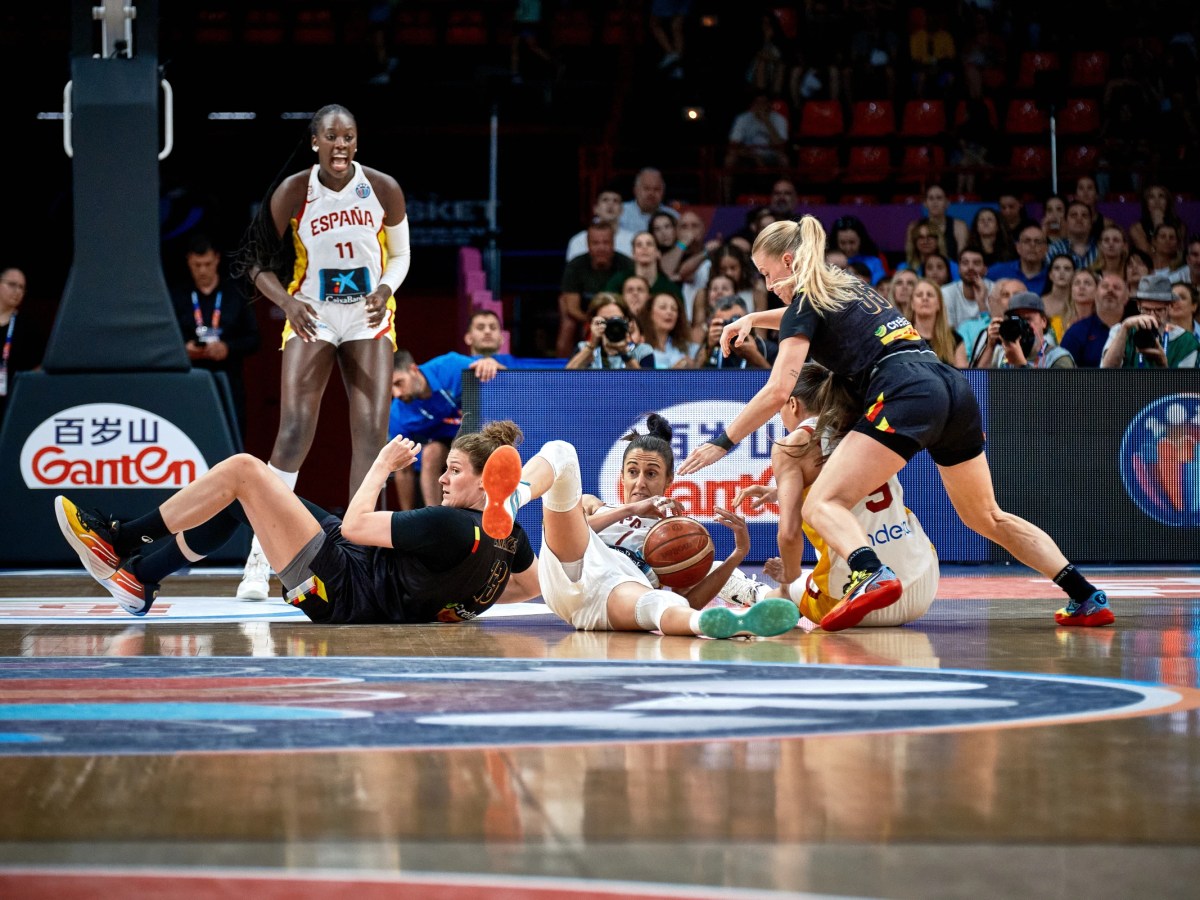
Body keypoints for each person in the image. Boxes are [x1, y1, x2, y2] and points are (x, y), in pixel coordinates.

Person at [678, 216, 1111, 629]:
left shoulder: (805, 300)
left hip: (903, 390)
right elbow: (800, 319)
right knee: (987, 516)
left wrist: (723, 440)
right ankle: (1084, 594)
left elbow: (778, 391)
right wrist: (754, 318)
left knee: (821, 504)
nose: (769, 287)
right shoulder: (846, 285)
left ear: (788, 262)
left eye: (767, 274)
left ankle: (869, 573)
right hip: (950, 386)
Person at [54, 421, 539, 621]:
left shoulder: (450, 526)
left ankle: (118, 539)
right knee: (248, 495)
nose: (442, 480)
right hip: (352, 569)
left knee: (244, 469)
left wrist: (381, 466)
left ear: (488, 481)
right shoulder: (509, 539)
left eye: (455, 471)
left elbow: (354, 526)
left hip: (340, 583)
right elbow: (527, 588)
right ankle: (140, 578)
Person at [232, 104, 410, 602]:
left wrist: (385, 289)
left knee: (372, 435)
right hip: (312, 311)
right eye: (331, 136)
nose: (340, 145)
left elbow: (400, 254)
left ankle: (362, 557)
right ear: (315, 142)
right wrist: (287, 302)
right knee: (292, 432)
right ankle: (258, 563)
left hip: (367, 314)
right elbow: (255, 262)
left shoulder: (383, 188)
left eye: (348, 137)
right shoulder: (294, 191)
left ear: (357, 141)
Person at [477, 414, 799, 639]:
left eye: (651, 474)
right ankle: (513, 497)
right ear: (621, 476)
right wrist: (631, 509)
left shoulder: (678, 534)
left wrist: (738, 553)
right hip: (575, 561)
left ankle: (721, 624)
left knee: (666, 603)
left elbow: (690, 597)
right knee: (562, 451)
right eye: (632, 472)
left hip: (618, 591)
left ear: (669, 480)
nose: (640, 482)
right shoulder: (594, 504)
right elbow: (582, 527)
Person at [726, 363, 939, 629]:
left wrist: (789, 575)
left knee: (792, 586)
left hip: (862, 604)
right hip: (923, 583)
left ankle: (754, 594)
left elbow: (789, 534)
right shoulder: (866, 427)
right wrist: (782, 491)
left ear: (792, 404)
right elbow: (848, 480)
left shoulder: (793, 445)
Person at [389, 348, 508, 510]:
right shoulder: (397, 413)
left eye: (398, 383)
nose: (396, 393)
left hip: (481, 434)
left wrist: (492, 365)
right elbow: (403, 472)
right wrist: (406, 518)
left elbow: (506, 380)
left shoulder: (451, 366)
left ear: (413, 369)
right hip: (449, 444)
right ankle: (436, 517)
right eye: (390, 388)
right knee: (431, 453)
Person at [171, 234, 261, 439]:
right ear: (188, 262)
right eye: (197, 265)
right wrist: (183, 349)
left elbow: (254, 339)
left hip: (229, 380)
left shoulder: (235, 294)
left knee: (231, 435)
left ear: (217, 259)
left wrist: (227, 348)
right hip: (192, 381)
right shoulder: (177, 296)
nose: (202, 270)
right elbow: (164, 339)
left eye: (207, 264)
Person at [556, 221, 634, 357]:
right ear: (588, 245)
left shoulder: (626, 265)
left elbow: (632, 301)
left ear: (613, 244)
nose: (601, 247)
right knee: (568, 321)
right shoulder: (575, 265)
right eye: (596, 243)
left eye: (606, 242)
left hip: (620, 317)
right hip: (585, 317)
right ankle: (564, 369)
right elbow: (571, 307)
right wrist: (593, 321)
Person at [1101, 273, 1200, 369]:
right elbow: (1106, 373)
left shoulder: (1186, 341)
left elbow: (1186, 385)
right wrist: (1125, 328)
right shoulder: (1121, 330)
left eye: (1159, 310)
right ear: (1138, 305)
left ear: (1170, 306)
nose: (1152, 316)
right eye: (1147, 310)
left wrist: (1162, 365)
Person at [979, 292, 1075, 369]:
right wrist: (990, 346)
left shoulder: (1058, 357)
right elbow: (977, 386)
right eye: (1017, 319)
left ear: (1044, 321)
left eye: (1028, 319)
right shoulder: (1002, 354)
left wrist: (1021, 364)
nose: (1022, 325)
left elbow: (1055, 393)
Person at [566, 293, 655, 370]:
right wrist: (591, 346)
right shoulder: (583, 348)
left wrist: (625, 354)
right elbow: (565, 381)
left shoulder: (642, 351)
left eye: (616, 320)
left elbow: (647, 386)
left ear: (627, 321)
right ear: (593, 323)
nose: (611, 325)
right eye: (604, 320)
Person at [1061, 273, 1128, 368]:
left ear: (1126, 297)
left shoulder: (1134, 330)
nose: (1110, 290)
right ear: (1095, 294)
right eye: (1105, 286)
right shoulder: (1076, 332)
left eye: (1116, 288)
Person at [0, 266, 36, 425]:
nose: (17, 291)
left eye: (21, 287)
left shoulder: (27, 327)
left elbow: (37, 366)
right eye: (12, 284)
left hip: (10, 403)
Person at [693, 296, 770, 368]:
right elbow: (693, 378)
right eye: (725, 323)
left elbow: (778, 380)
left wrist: (755, 357)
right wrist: (708, 348)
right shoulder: (710, 349)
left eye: (736, 321)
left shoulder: (766, 348)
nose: (731, 329)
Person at [962, 278, 1024, 367]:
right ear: (997, 301)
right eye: (1005, 295)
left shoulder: (1036, 331)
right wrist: (990, 346)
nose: (1011, 299)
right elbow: (977, 378)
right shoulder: (986, 334)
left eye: (1017, 295)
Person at [604, 231, 682, 301]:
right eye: (639, 245)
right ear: (633, 254)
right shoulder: (619, 281)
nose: (644, 248)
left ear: (658, 253)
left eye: (649, 244)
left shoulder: (670, 288)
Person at [565, 188, 636, 261]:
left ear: (622, 210)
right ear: (595, 209)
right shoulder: (579, 240)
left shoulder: (633, 239)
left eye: (615, 201)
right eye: (605, 200)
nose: (610, 204)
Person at [724, 92, 790, 170]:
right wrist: (754, 156)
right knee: (730, 159)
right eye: (757, 102)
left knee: (784, 159)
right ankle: (725, 182)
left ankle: (786, 182)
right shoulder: (742, 118)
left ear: (769, 104)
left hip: (771, 155)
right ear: (752, 105)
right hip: (748, 154)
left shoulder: (779, 119)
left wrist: (766, 121)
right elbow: (734, 144)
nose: (761, 106)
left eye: (764, 102)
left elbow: (780, 145)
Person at [910, 278, 967, 367]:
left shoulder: (955, 340)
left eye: (930, 295)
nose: (925, 298)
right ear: (912, 304)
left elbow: (963, 377)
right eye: (919, 295)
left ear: (939, 304)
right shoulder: (903, 338)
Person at [905, 185, 969, 263]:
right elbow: (910, 256)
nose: (935, 202)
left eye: (939, 198)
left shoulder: (959, 227)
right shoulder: (914, 226)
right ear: (925, 203)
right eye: (931, 198)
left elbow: (962, 259)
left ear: (947, 202)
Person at [940, 247, 994, 331]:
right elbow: (949, 333)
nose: (970, 267)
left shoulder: (995, 291)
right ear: (959, 269)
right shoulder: (946, 292)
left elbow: (994, 331)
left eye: (976, 263)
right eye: (965, 263)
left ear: (985, 269)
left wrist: (982, 303)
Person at [639, 291, 696, 368]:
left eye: (674, 309)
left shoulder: (686, 346)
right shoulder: (640, 346)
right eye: (663, 307)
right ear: (649, 313)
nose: (669, 312)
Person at [987, 224, 1049, 294]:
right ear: (1018, 247)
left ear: (1046, 249)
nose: (1032, 245)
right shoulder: (997, 271)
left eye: (1038, 242)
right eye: (1027, 241)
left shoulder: (1053, 275)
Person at [1127, 184, 1185, 256]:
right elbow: (1149, 256)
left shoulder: (1179, 226)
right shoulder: (1136, 229)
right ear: (1146, 203)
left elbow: (1179, 254)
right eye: (1151, 197)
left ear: (1167, 202)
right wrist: (1158, 226)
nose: (1157, 201)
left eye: (1161, 196)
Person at [619, 168, 677, 234]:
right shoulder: (620, 212)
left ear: (663, 192)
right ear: (635, 190)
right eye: (646, 188)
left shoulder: (673, 216)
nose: (651, 193)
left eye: (656, 189)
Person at [1044, 201, 1098, 271]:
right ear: (1065, 222)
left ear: (1091, 223)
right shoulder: (1054, 250)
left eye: (1084, 215)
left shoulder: (1101, 249)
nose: (1079, 219)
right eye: (1073, 215)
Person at [1040, 253, 1078, 341]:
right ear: (1050, 274)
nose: (1062, 272)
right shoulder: (1040, 303)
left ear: (1074, 274)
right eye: (1057, 268)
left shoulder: (1080, 302)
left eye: (1067, 269)